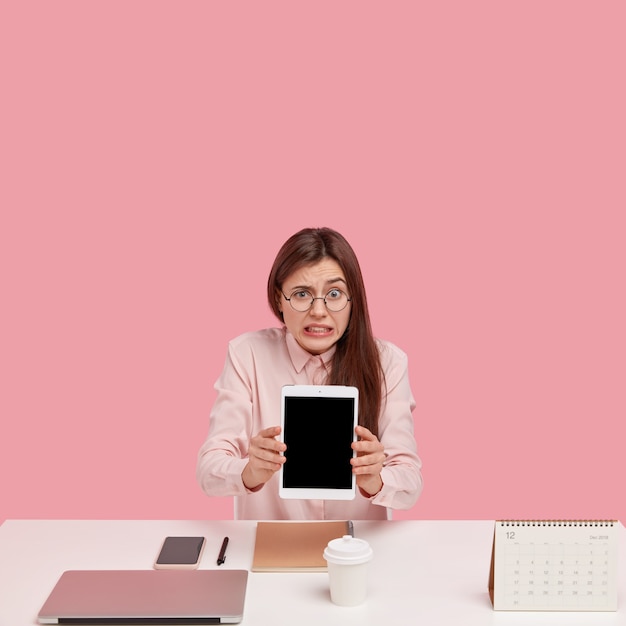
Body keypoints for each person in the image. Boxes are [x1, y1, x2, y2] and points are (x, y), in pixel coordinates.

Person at [196, 227, 422, 520]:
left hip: (356, 550)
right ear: (279, 299)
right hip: (273, 548)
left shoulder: (387, 362)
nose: (319, 311)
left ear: (353, 300)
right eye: (302, 294)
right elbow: (208, 470)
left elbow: (410, 482)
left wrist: (375, 480)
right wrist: (249, 471)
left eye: (335, 294)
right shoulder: (246, 354)